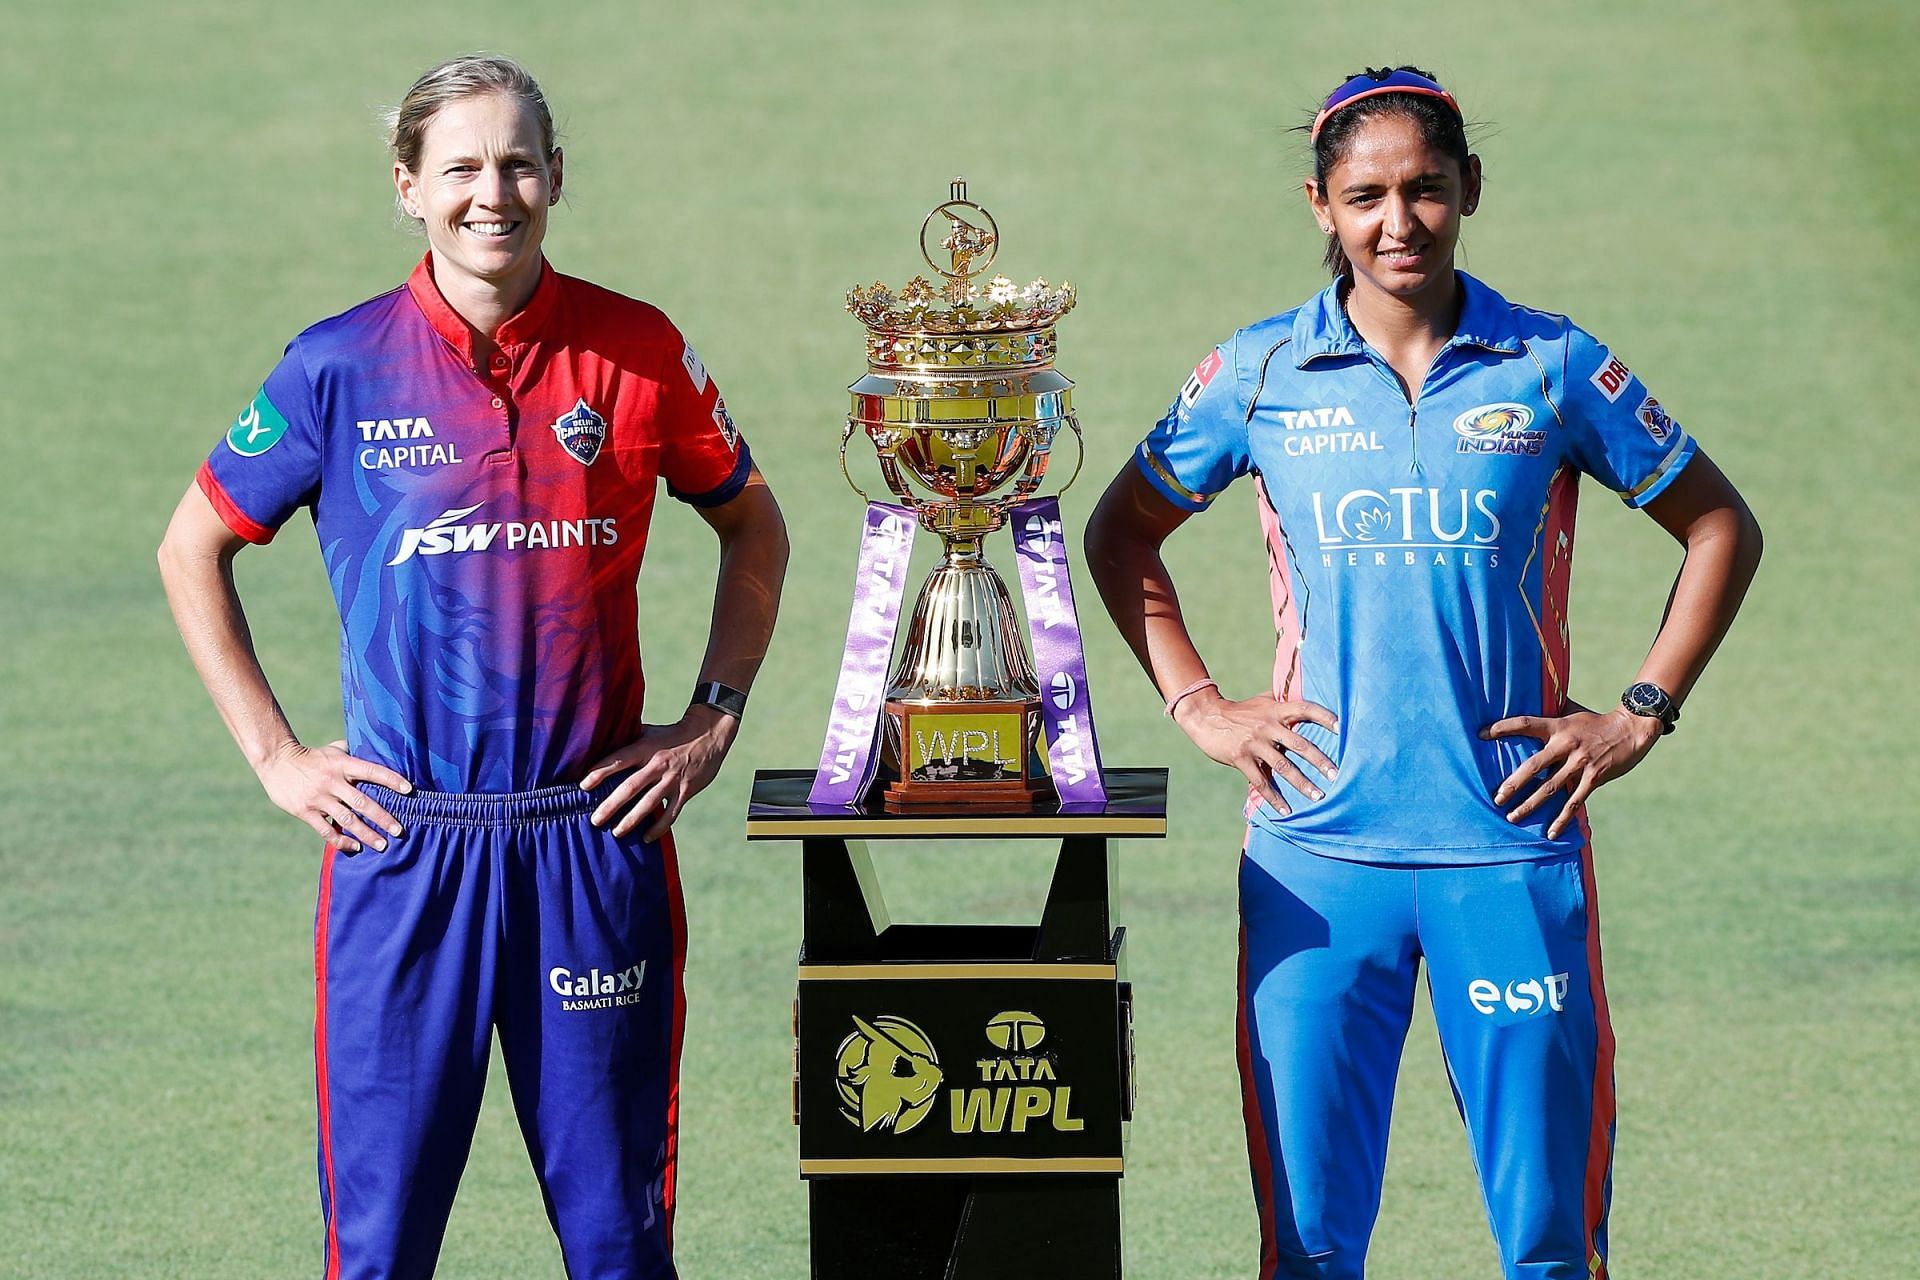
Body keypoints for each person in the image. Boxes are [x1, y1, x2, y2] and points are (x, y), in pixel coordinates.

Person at [1084, 66, 1761, 1280]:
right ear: (1320, 206)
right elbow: (1121, 529)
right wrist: (1200, 703)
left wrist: (1639, 711)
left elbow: (1721, 524)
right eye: (1366, 197)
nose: (1398, 222)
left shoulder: (1551, 364)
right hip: (1313, 854)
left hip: (1509, 847)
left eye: (1425, 190)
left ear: (1470, 190)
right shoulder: (1259, 372)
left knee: (1552, 1246)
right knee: (1307, 1247)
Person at [156, 53, 788, 1280]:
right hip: (406, 848)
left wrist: (712, 715)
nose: (490, 193)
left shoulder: (638, 350)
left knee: (618, 1237)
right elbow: (194, 546)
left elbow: (752, 517)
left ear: (557, 175)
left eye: (515, 163)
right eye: (460, 167)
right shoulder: (336, 366)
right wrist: (277, 756)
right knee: (381, 1245)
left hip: (588, 837)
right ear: (407, 186)